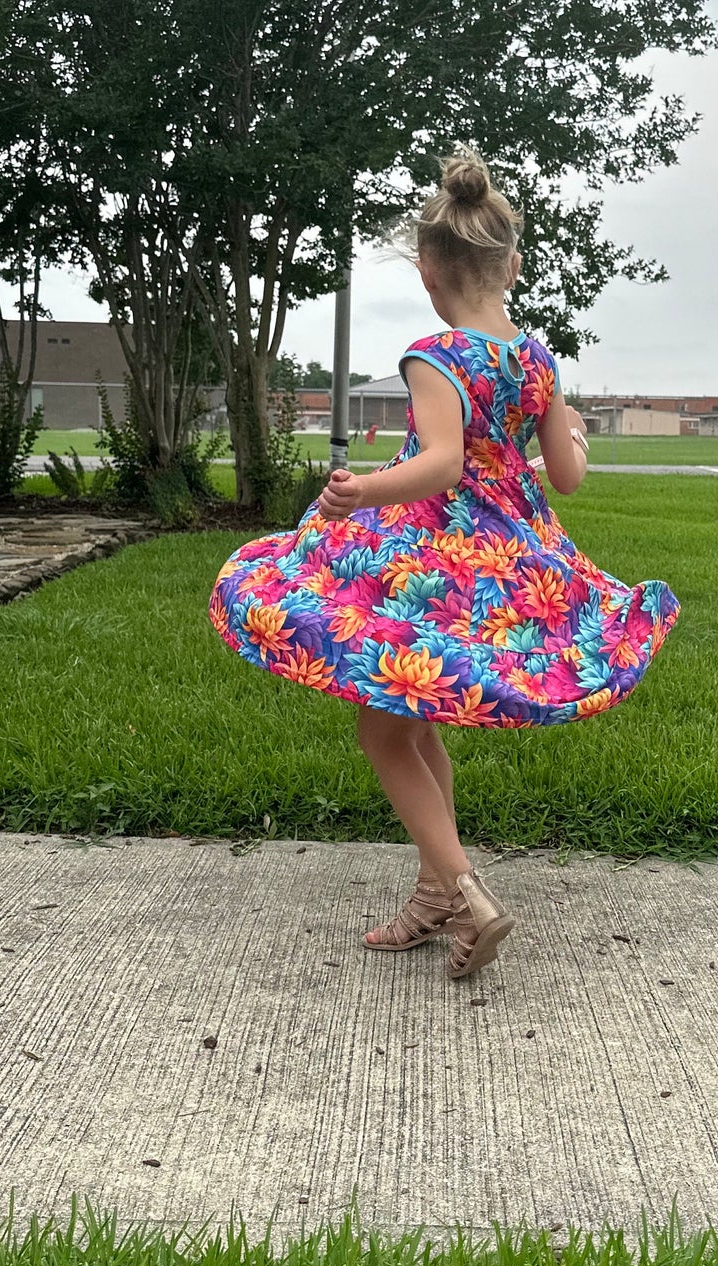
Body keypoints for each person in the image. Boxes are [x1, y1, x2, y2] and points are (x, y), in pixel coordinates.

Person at [209, 152, 679, 980]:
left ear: (427, 270)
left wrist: (360, 491)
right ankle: (433, 892)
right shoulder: (538, 360)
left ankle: (464, 892)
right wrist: (571, 435)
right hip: (506, 561)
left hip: (429, 562)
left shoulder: (434, 355)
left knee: (380, 729)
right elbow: (564, 476)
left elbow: (441, 463)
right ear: (513, 265)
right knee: (412, 716)